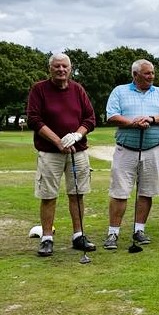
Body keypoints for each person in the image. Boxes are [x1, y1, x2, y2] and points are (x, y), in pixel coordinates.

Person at [26, 53, 97, 256]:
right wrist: (58, 142)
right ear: (50, 68)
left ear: (70, 68)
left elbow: (90, 118)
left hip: (78, 150)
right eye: (56, 66)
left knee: (77, 194)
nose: (61, 70)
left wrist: (77, 135)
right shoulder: (39, 89)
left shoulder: (77, 89)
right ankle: (47, 238)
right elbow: (34, 119)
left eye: (64, 66)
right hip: (50, 152)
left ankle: (78, 235)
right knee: (48, 195)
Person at [103, 59, 159, 250]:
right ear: (135, 75)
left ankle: (139, 230)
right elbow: (111, 116)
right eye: (147, 73)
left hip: (152, 149)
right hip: (126, 149)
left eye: (152, 73)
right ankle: (113, 233)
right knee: (120, 192)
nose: (151, 76)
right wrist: (133, 122)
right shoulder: (120, 91)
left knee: (146, 191)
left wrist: (151, 119)